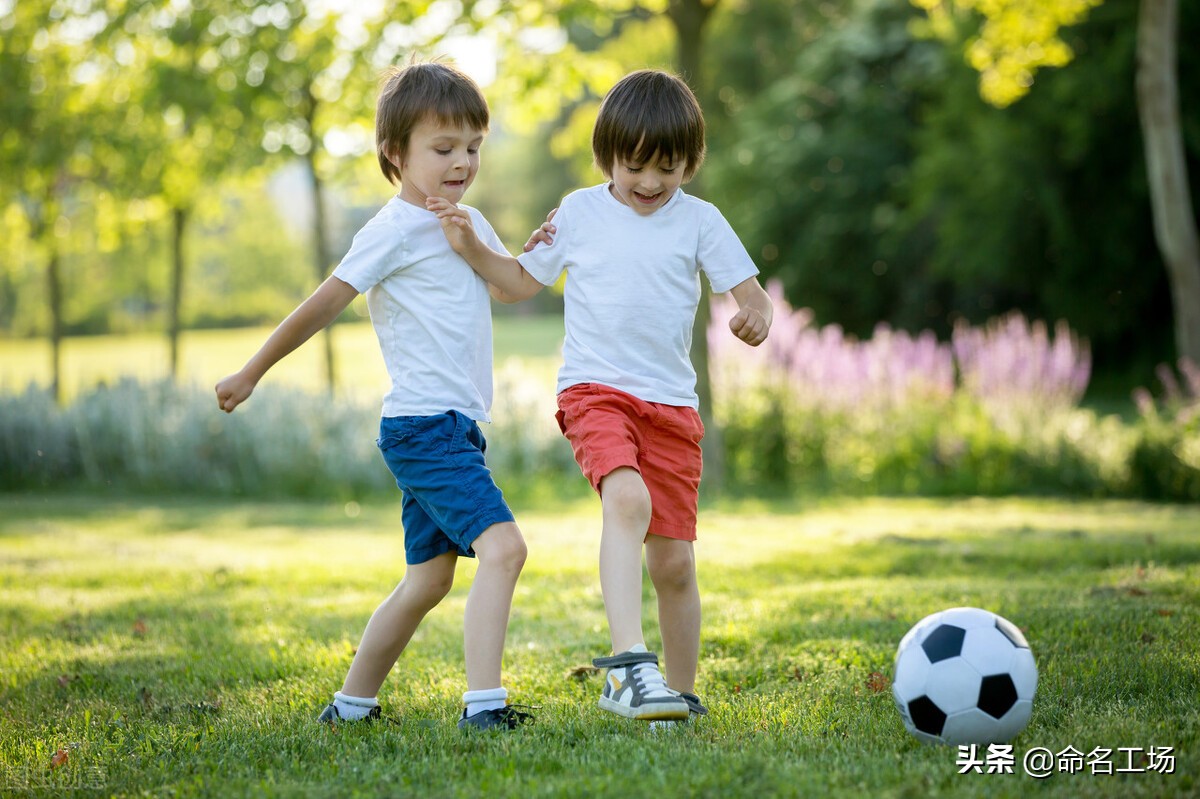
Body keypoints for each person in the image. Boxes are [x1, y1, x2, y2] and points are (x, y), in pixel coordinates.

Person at [428, 68, 773, 723]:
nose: (648, 182)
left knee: (672, 562)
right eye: (634, 164)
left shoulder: (701, 221)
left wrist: (755, 316)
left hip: (672, 407)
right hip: (595, 393)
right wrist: (471, 244)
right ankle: (627, 667)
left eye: (666, 168)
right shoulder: (580, 211)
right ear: (606, 155)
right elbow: (516, 284)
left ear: (690, 163)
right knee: (627, 496)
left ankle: (679, 690)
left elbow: (751, 295)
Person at [214, 61, 532, 732]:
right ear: (397, 153)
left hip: (455, 428)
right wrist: (252, 370)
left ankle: (350, 706)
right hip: (424, 428)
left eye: (473, 147)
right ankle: (484, 707)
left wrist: (478, 243)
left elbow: (514, 286)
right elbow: (322, 304)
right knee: (504, 548)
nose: (461, 162)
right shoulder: (388, 230)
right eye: (443, 149)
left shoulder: (467, 220)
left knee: (429, 580)